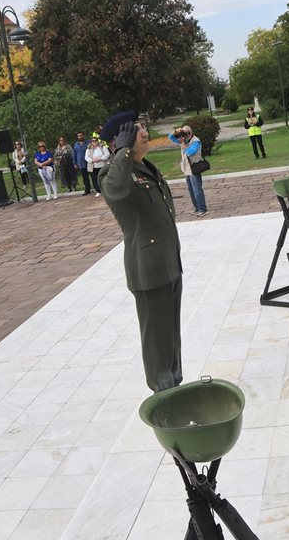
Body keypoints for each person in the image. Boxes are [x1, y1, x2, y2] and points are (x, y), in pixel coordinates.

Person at [100, 113, 183, 393]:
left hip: (168, 263)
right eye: (138, 131)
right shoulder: (112, 173)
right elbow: (116, 190)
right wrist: (122, 152)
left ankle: (175, 383)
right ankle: (163, 395)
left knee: (171, 335)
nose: (145, 133)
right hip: (148, 269)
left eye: (143, 128)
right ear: (120, 140)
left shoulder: (143, 167)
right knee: (156, 339)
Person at [169, 125, 208, 217]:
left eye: (185, 133)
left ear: (190, 133)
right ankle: (197, 208)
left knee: (197, 189)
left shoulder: (196, 141)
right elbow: (170, 137)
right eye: (183, 133)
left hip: (194, 168)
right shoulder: (184, 140)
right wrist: (176, 131)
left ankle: (203, 209)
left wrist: (183, 143)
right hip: (187, 169)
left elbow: (190, 152)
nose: (184, 136)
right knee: (191, 190)